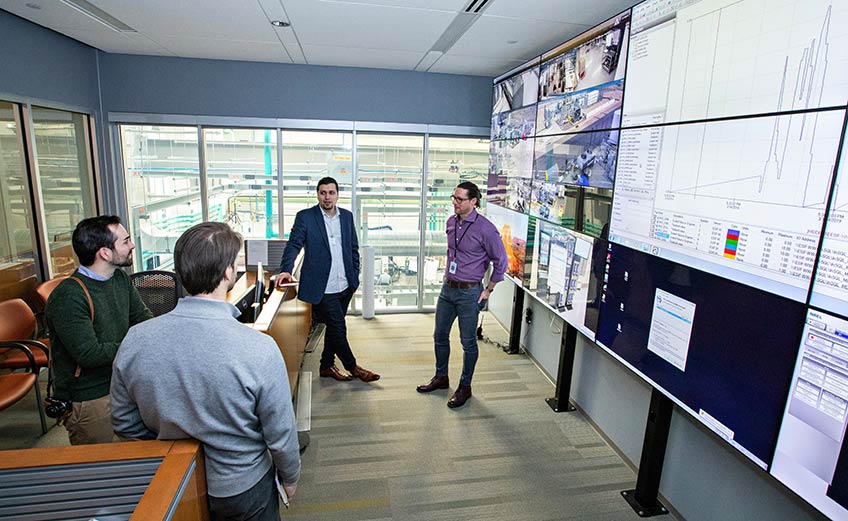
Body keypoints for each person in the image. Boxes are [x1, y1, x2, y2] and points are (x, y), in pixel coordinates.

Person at [111, 222, 301, 520]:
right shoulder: (258, 347)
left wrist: (171, 455)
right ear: (228, 274)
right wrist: (289, 476)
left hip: (174, 485)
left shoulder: (135, 339)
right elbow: (280, 430)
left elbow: (124, 422)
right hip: (242, 487)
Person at [45, 215, 153, 445]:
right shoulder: (69, 297)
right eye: (125, 241)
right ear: (104, 253)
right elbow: (89, 354)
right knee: (101, 469)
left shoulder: (119, 279)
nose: (132, 245)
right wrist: (139, 345)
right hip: (90, 398)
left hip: (122, 384)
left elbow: (142, 318)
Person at [276, 176, 380, 382]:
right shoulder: (305, 217)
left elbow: (353, 248)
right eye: (323, 193)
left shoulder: (347, 217)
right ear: (317, 194)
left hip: (345, 284)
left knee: (335, 326)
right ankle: (353, 367)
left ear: (337, 194)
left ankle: (326, 365)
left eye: (331, 192)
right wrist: (285, 269)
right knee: (339, 328)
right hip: (322, 287)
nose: (327, 197)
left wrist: (355, 277)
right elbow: (293, 245)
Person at [417, 182, 508, 408]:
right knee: (439, 335)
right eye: (454, 198)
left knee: (468, 342)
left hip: (470, 293)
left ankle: (465, 386)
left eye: (460, 199)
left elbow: (501, 262)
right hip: (448, 289)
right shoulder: (451, 222)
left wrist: (488, 289)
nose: (455, 203)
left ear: (473, 201)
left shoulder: (486, 229)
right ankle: (441, 377)